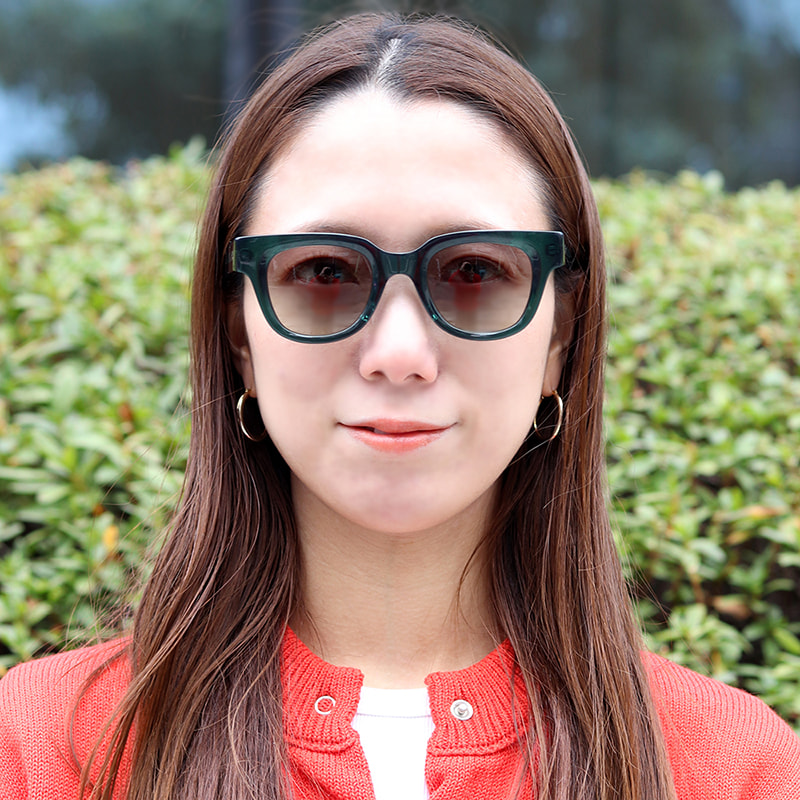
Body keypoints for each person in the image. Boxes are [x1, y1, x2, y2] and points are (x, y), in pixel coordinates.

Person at [1, 12, 798, 800]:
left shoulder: (739, 770)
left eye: (475, 271)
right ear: (239, 333)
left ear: (560, 334)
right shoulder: (38, 752)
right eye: (323, 272)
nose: (399, 353)